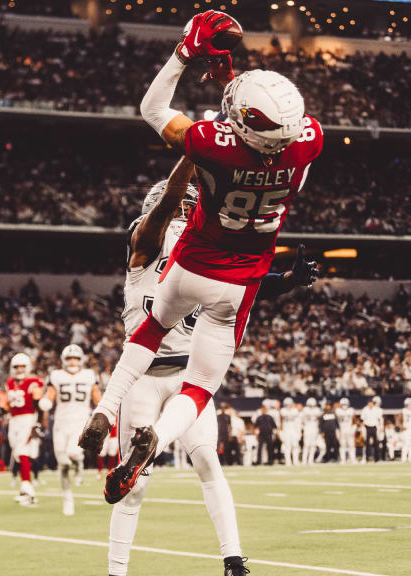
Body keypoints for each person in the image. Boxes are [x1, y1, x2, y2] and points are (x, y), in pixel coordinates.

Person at [80, 10, 324, 506]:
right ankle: (158, 443)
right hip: (241, 282)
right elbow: (267, 131)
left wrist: (185, 54)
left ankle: (107, 409)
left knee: (148, 331)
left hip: (192, 264)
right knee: (200, 387)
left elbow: (153, 108)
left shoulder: (214, 146)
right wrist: (232, 85)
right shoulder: (307, 144)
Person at [106, 170, 312, 576]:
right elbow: (163, 220)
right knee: (137, 484)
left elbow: (246, 282)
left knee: (208, 464)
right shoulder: (145, 242)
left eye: (189, 206)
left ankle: (233, 560)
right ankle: (117, 571)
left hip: (187, 377)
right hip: (143, 377)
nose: (186, 211)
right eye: (180, 205)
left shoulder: (203, 253)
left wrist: (287, 280)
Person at [42, 344, 100, 516]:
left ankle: (79, 462)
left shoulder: (89, 375)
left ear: (81, 360)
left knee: (73, 454)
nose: (72, 361)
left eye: (75, 358)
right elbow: (50, 395)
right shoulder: (56, 375)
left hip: (80, 422)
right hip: (60, 422)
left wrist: (106, 411)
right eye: (69, 358)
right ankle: (67, 497)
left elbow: (97, 397)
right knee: (63, 463)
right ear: (63, 360)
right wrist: (45, 402)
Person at [4, 353, 45, 506]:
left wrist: (38, 423)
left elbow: (39, 406)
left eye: (22, 366)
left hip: (28, 418)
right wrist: (4, 407)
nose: (19, 369)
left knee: (22, 452)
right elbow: (9, 406)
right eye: (16, 367)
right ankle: (25, 489)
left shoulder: (34, 382)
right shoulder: (9, 383)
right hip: (14, 420)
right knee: (17, 454)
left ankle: (28, 490)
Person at [360, 397, 385, 463]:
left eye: (371, 403)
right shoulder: (365, 409)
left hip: (374, 427)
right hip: (367, 427)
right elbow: (362, 420)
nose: (370, 404)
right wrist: (362, 429)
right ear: (368, 403)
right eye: (369, 403)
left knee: (376, 443)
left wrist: (381, 427)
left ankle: (376, 459)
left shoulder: (376, 410)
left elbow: (380, 419)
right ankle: (366, 458)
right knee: (366, 444)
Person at [279, 398, 302, 466]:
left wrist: (299, 431)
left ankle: (295, 461)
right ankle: (288, 461)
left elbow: (297, 421)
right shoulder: (283, 410)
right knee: (287, 446)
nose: (288, 406)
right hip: (286, 430)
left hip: (294, 430)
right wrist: (281, 431)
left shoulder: (295, 410)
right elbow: (281, 420)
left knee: (295, 446)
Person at [336, 398, 357, 464]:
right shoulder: (338, 410)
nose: (344, 406)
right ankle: (343, 460)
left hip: (349, 429)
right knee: (342, 445)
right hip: (342, 430)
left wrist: (353, 428)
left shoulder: (351, 410)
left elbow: (354, 419)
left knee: (351, 445)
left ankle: (353, 459)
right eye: (343, 404)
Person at [301, 398, 321, 465]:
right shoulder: (305, 410)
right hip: (307, 428)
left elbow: (319, 419)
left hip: (314, 428)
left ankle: (310, 460)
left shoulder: (317, 410)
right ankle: (304, 460)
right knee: (306, 445)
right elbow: (302, 420)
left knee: (313, 445)